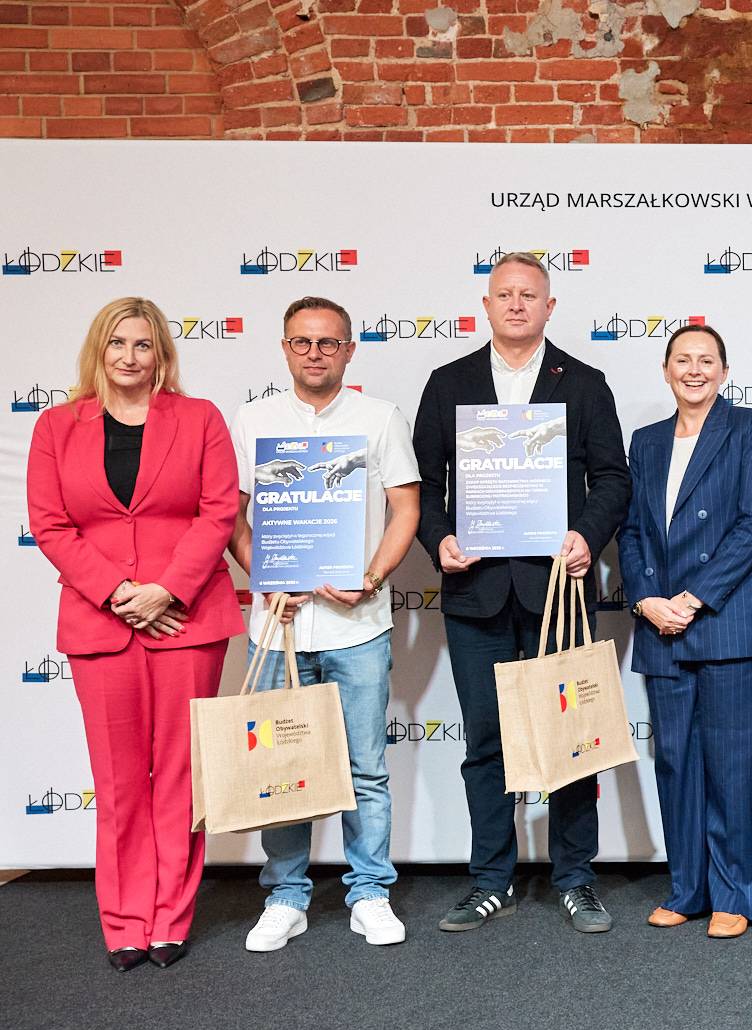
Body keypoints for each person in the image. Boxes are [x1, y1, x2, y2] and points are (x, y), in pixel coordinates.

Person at [413, 252, 630, 934]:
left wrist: (587, 535)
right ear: (485, 305)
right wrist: (439, 540)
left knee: (571, 739)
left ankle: (575, 877)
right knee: (484, 741)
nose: (515, 305)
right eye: (504, 294)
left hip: (557, 593)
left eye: (528, 295)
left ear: (549, 306)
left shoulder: (585, 383)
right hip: (475, 592)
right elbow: (423, 485)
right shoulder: (448, 383)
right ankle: (490, 879)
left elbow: (613, 479)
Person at [26, 297, 243, 971]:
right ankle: (124, 921)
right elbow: (50, 523)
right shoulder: (56, 426)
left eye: (142, 345)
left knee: (179, 775)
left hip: (187, 620)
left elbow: (217, 512)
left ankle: (169, 918)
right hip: (101, 622)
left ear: (161, 355)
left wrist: (166, 590)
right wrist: (120, 593)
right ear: (99, 349)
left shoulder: (200, 418)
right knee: (118, 781)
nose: (128, 356)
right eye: (117, 343)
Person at [227, 297, 421, 952]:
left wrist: (372, 577)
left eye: (328, 342)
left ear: (349, 350)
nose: (315, 353)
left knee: (365, 769)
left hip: (355, 626)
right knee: (280, 770)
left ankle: (369, 892)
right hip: (277, 628)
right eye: (303, 342)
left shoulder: (379, 418)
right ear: (285, 348)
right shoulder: (253, 419)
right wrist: (264, 575)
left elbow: (405, 507)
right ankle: (286, 897)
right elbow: (232, 515)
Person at [616, 325, 752, 939]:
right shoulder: (647, 441)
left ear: (724, 370)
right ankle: (687, 888)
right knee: (677, 765)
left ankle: (736, 893)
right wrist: (645, 599)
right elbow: (632, 531)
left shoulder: (751, 427)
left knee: (737, 767)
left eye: (706, 360)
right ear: (666, 371)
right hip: (661, 627)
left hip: (730, 622)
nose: (694, 370)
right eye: (682, 360)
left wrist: (693, 598)